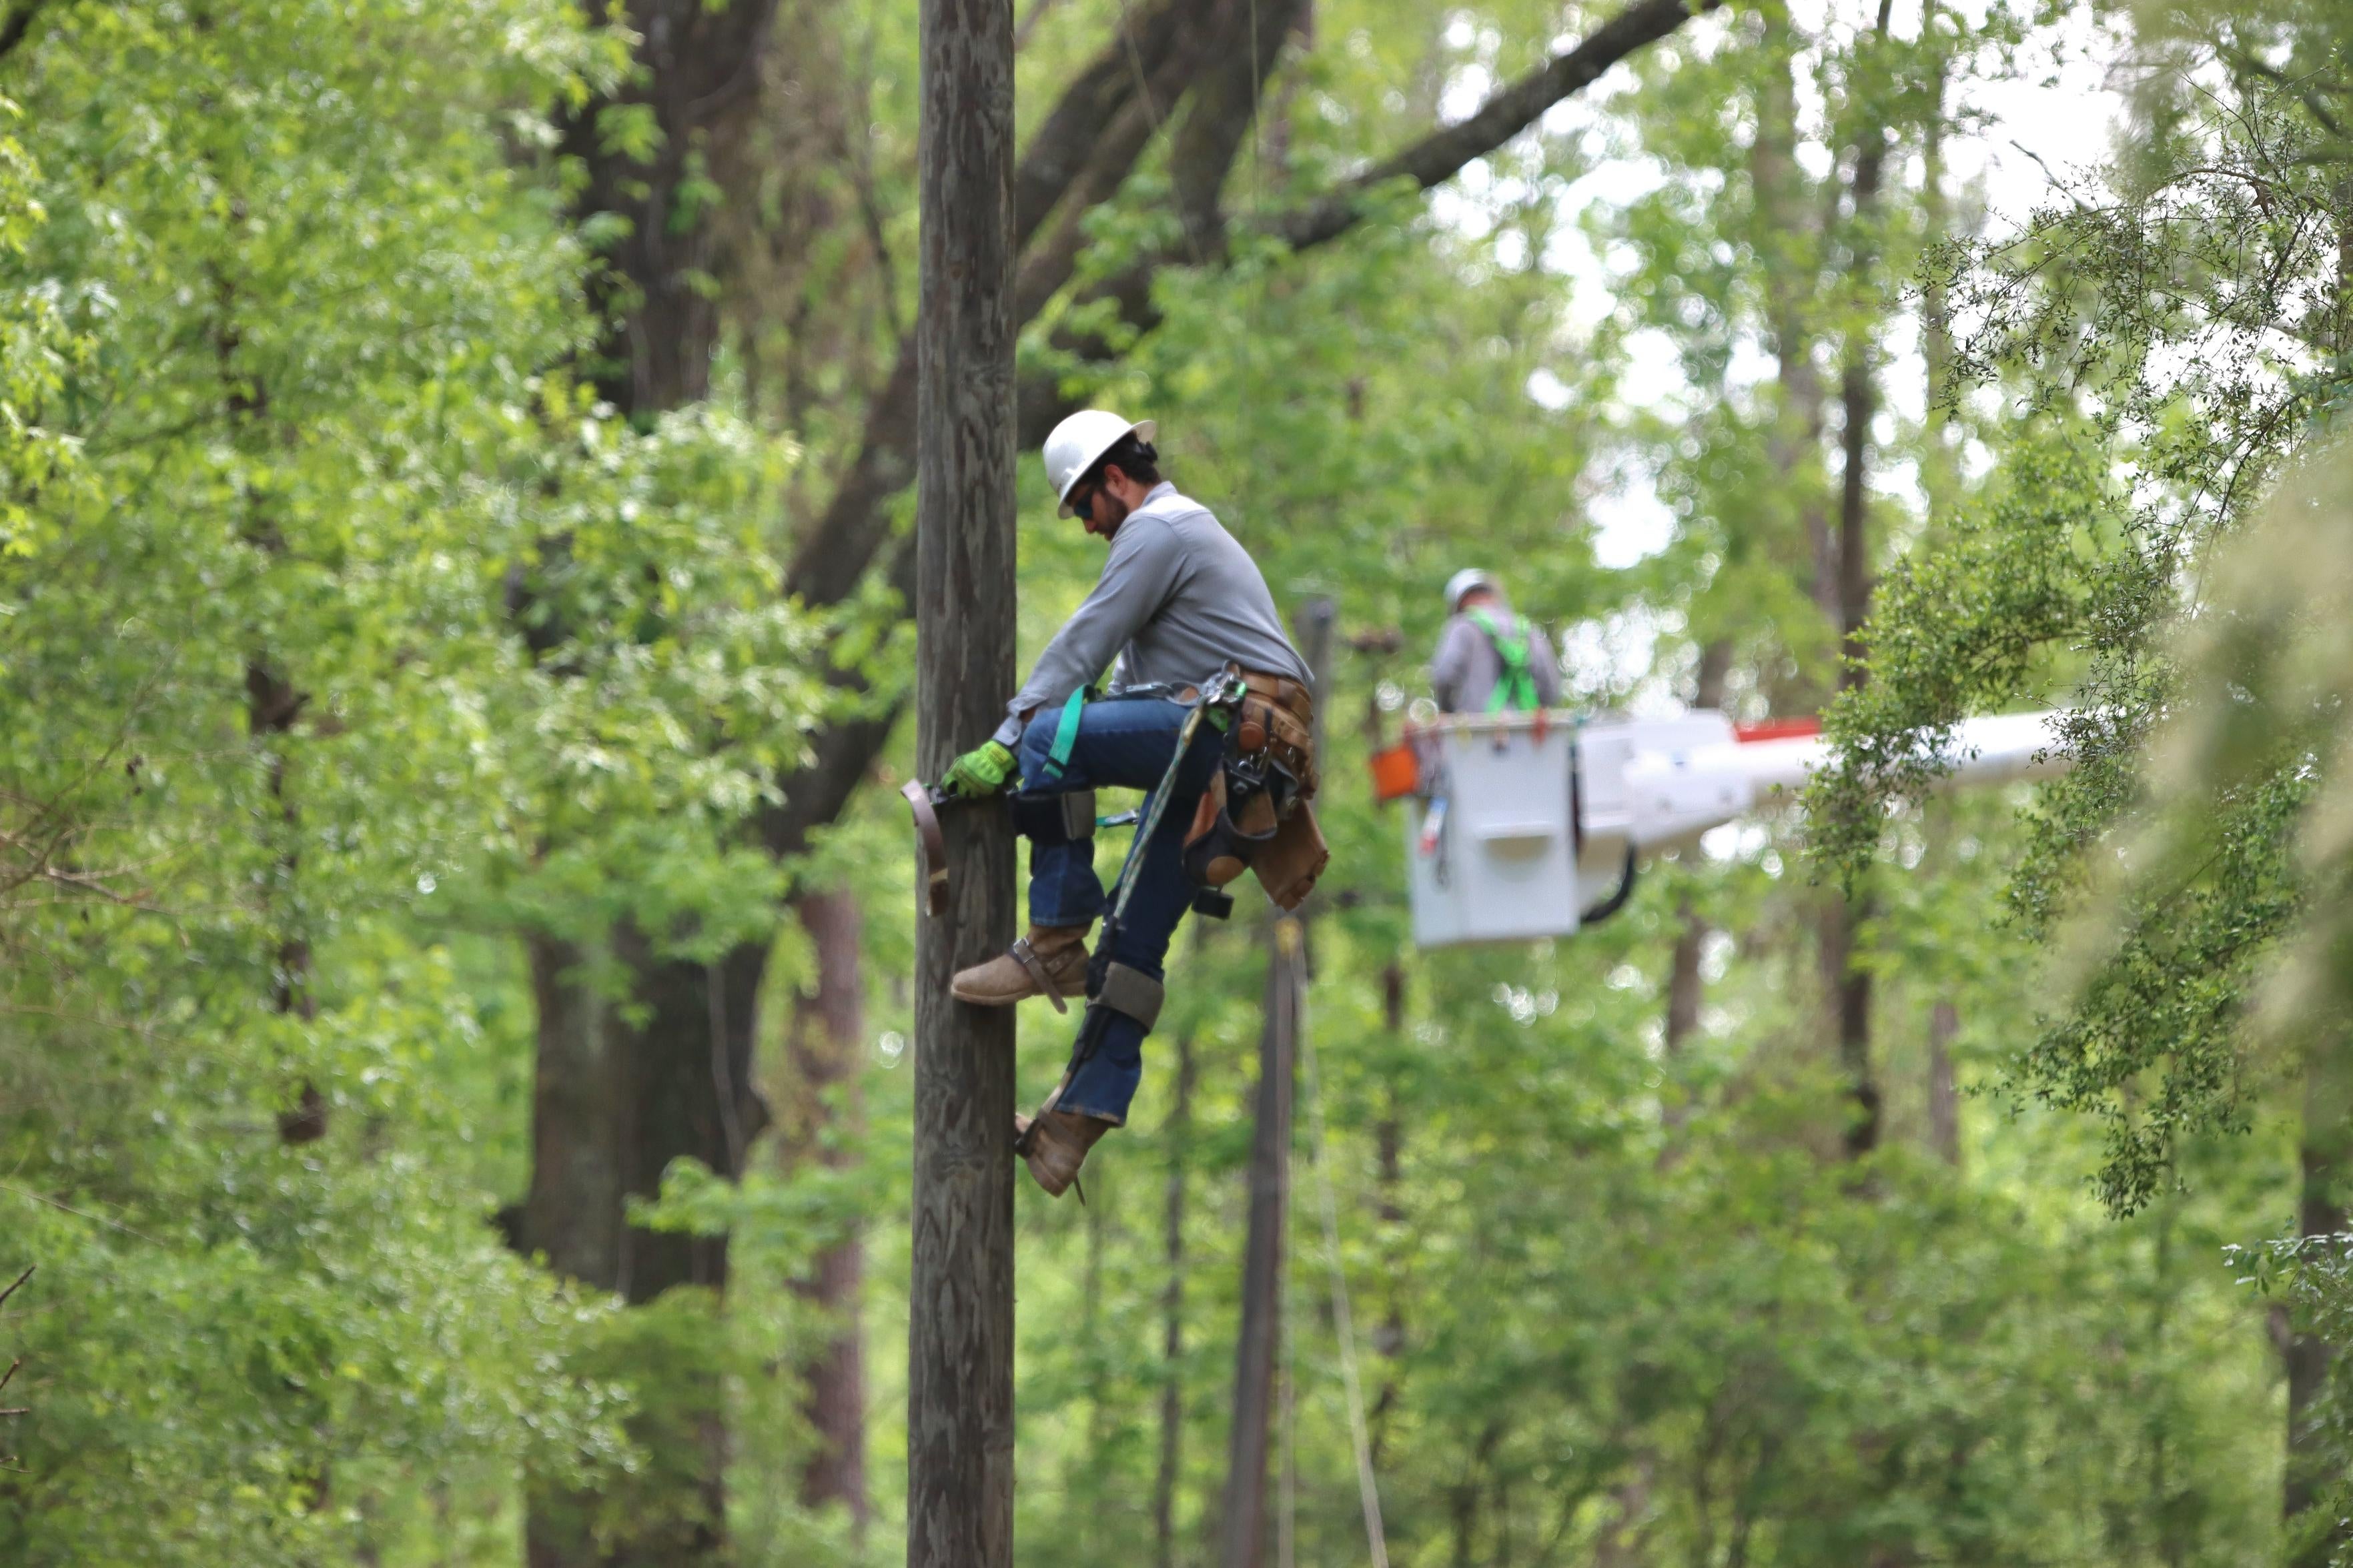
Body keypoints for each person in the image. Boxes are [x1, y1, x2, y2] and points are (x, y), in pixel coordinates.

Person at [937, 410, 1319, 1197]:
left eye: (1082, 505)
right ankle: (1069, 1129)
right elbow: (1118, 689)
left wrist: (1011, 740)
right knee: (1132, 947)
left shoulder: (1160, 531)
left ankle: (1050, 941)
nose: (1083, 525)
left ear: (1115, 478)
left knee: (1049, 735)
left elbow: (1085, 641)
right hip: (1226, 753)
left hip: (1228, 736)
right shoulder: (1171, 550)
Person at [1429, 568, 1562, 714]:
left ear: (1459, 602)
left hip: (1477, 730)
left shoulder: (1462, 626)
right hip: (1527, 731)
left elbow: (1445, 675)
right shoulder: (1527, 629)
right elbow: (1552, 689)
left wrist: (1446, 710)